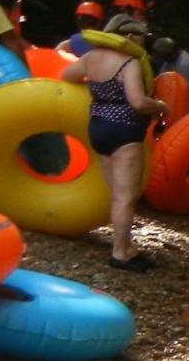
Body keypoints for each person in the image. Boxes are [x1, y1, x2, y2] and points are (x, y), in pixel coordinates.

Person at [59, 16, 168, 270]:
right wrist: (162, 106)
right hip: (124, 131)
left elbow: (67, 75)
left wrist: (96, 91)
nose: (143, 45)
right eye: (141, 38)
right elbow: (139, 102)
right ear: (129, 37)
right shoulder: (129, 63)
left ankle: (126, 246)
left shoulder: (91, 57)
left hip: (98, 128)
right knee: (125, 197)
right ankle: (120, 253)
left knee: (117, 194)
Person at [150, 32, 189, 103]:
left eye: (164, 57)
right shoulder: (168, 62)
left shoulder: (186, 63)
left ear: (171, 54)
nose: (163, 60)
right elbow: (162, 82)